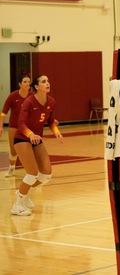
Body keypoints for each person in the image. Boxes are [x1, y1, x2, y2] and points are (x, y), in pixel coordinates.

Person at [11, 75, 64, 216]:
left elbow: (51, 121)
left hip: (37, 138)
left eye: (48, 81)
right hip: (23, 138)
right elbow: (20, 124)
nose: (47, 83)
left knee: (46, 174)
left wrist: (56, 131)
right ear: (36, 86)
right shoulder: (29, 102)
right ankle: (17, 204)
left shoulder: (51, 101)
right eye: (43, 81)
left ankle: (24, 191)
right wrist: (30, 135)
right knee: (32, 173)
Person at [1, 74, 32, 177]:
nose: (27, 83)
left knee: (30, 149)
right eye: (25, 82)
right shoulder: (13, 96)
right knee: (13, 150)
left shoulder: (32, 97)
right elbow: (4, 112)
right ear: (20, 84)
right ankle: (11, 169)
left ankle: (32, 171)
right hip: (14, 126)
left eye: (29, 81)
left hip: (27, 127)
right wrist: (1, 126)